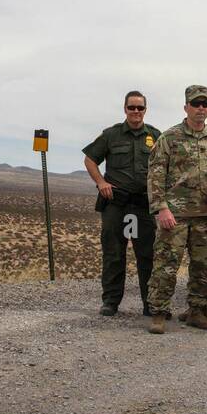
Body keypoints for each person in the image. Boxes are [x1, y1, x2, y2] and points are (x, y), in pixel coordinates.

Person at [144, 85, 207, 334]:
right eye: (196, 104)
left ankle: (197, 311)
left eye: (204, 104)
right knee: (166, 265)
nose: (200, 108)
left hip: (206, 216)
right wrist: (161, 208)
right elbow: (156, 176)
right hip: (175, 216)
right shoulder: (169, 138)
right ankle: (159, 313)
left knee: (204, 267)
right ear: (186, 107)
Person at [82, 90, 161, 316]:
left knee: (146, 255)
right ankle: (111, 301)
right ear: (125, 109)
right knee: (114, 254)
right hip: (116, 205)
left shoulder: (156, 136)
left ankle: (151, 304)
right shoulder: (111, 135)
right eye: (131, 107)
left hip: (142, 206)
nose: (136, 112)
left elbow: (167, 165)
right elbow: (90, 159)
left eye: (140, 108)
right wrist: (100, 182)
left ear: (145, 110)